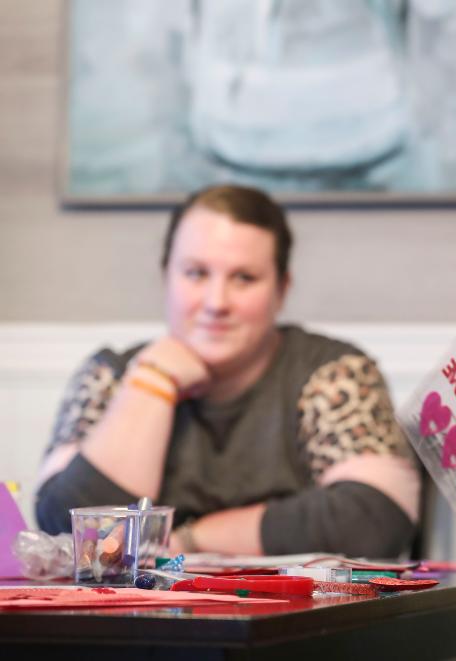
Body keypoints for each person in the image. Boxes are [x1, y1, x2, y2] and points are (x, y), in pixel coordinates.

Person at [35, 185, 420, 558]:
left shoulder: (334, 373)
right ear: (165, 277)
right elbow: (66, 532)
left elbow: (375, 519)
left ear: (282, 290)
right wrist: (152, 381)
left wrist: (193, 538)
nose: (216, 303)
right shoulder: (110, 376)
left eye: (244, 278)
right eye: (196, 273)